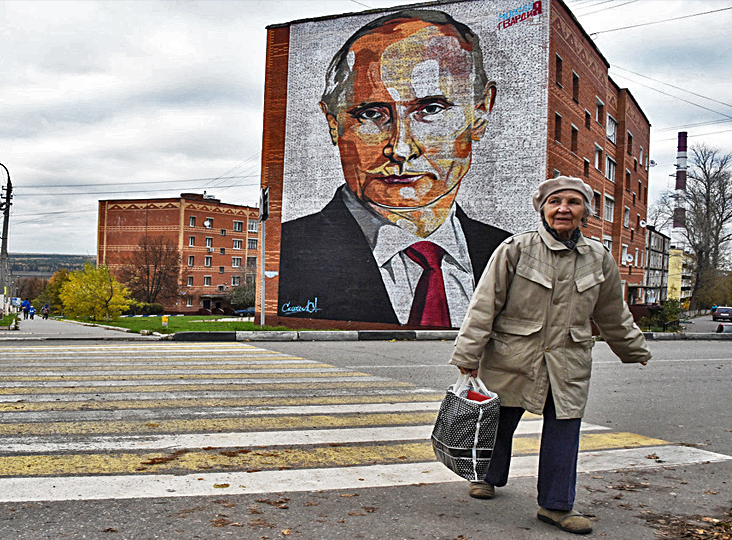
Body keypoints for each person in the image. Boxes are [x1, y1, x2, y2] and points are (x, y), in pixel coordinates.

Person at [278, 9, 510, 328]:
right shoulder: (288, 252)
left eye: (431, 109)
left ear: (480, 114)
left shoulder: (511, 255)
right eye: (372, 114)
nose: (400, 149)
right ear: (333, 124)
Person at [450, 176, 651, 535]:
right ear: (542, 208)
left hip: (567, 360)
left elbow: (612, 312)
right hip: (514, 355)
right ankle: (487, 476)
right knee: (501, 421)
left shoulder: (598, 258)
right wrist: (469, 353)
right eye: (555, 202)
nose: (563, 209)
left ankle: (556, 506)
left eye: (573, 203)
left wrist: (633, 349)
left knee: (564, 430)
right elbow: (484, 304)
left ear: (585, 211)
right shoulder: (516, 249)